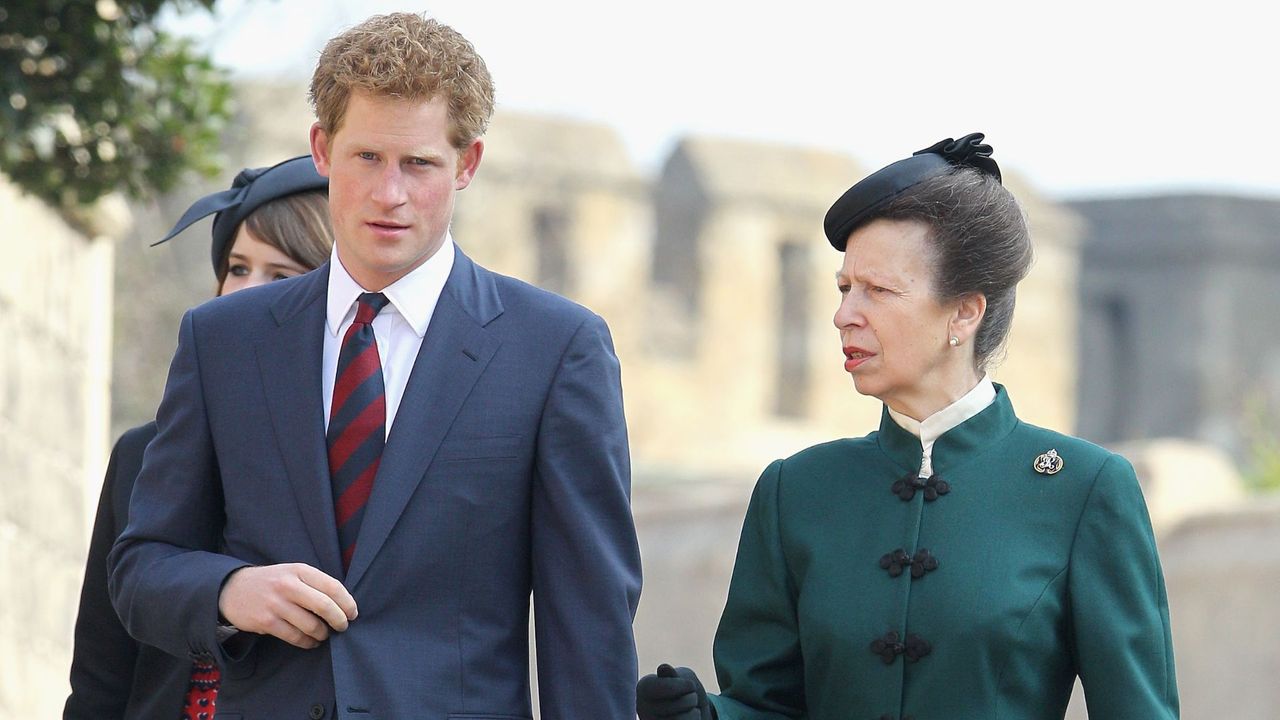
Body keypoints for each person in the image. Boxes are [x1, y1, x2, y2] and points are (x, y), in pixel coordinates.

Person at [108, 12, 642, 720]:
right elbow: (141, 566)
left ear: (468, 165)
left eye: (419, 164)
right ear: (322, 149)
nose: (390, 194)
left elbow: (590, 630)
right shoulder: (221, 341)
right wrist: (231, 591)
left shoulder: (556, 351)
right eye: (367, 158)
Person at [636, 134, 1179, 720]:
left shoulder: (1085, 489)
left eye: (879, 291)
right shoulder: (795, 490)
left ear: (965, 312)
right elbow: (766, 705)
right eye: (845, 288)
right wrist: (709, 715)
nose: (845, 314)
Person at [64, 155, 332, 720]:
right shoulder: (143, 456)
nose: (244, 294)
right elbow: (99, 684)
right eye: (237, 268)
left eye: (281, 277)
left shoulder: (359, 461)